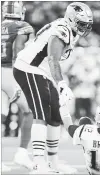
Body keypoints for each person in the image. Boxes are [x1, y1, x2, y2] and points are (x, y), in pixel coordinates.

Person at [13, 2, 93, 174]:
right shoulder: (62, 30)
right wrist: (62, 84)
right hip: (29, 68)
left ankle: (53, 163)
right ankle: (39, 162)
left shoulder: (70, 30)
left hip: (43, 72)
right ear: (71, 19)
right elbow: (52, 59)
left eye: (86, 24)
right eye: (81, 24)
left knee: (55, 116)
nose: (84, 28)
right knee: (41, 114)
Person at [1, 1, 35, 170]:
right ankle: (21, 153)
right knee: (30, 111)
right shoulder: (23, 26)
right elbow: (19, 50)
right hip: (10, 72)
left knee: (1, 117)